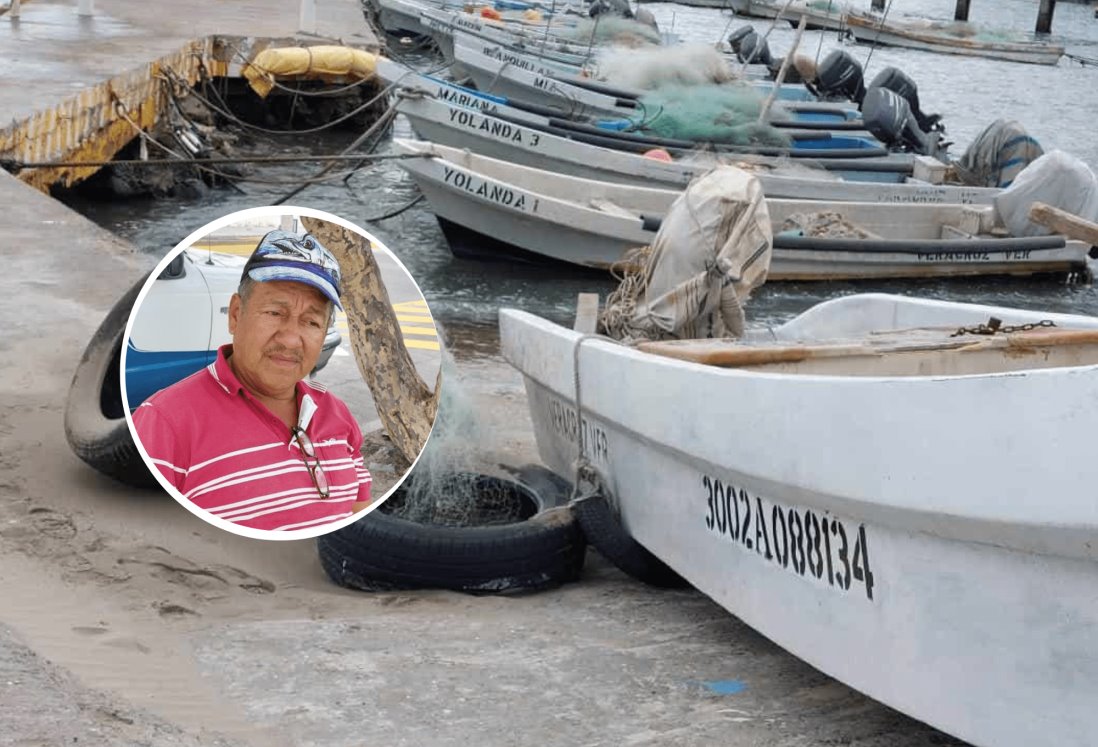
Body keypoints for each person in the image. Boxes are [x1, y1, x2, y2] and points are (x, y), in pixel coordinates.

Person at [133, 229, 372, 533]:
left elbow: (360, 520)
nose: (290, 339)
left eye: (311, 322)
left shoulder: (337, 414)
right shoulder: (164, 423)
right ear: (235, 315)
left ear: (324, 334)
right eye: (275, 312)